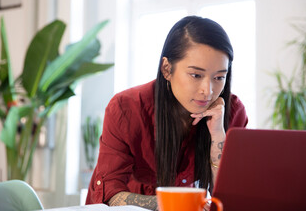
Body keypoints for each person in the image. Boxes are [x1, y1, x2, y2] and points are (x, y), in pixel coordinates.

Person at [85, 16, 248, 210]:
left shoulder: (232, 112)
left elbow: (231, 199)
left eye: (219, 77)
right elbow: (109, 195)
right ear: (167, 69)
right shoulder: (126, 109)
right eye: (196, 75)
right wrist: (175, 205)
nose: (208, 90)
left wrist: (218, 135)